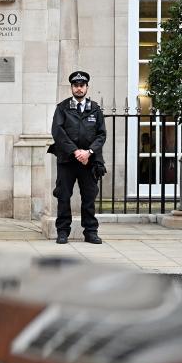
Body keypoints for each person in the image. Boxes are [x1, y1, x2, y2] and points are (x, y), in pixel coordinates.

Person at [49, 70, 106, 244]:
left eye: (82, 86)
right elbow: (58, 132)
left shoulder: (95, 109)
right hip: (67, 160)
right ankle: (63, 231)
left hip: (88, 162)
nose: (79, 89)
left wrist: (88, 152)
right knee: (64, 196)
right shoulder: (62, 108)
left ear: (87, 87)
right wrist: (76, 152)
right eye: (76, 86)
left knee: (89, 197)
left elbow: (101, 135)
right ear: (72, 88)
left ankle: (90, 232)